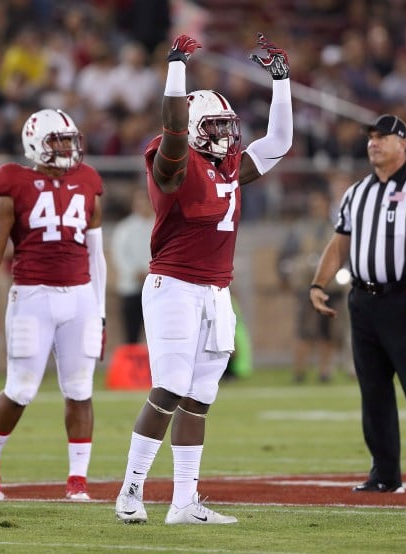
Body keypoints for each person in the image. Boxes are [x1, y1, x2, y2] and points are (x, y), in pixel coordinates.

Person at [114, 32, 292, 524]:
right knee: (169, 386)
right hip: (174, 285)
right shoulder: (174, 164)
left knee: (199, 398)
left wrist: (281, 81)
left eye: (226, 125)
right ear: (191, 128)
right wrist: (176, 69)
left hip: (216, 291)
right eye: (214, 125)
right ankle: (130, 491)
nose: (226, 134)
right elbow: (172, 130)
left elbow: (278, 142)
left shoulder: (230, 164)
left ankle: (184, 503)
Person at [309, 114, 406, 495]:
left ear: (403, 144)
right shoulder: (356, 193)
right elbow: (339, 244)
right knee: (373, 391)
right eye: (371, 137)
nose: (373, 143)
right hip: (363, 300)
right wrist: (318, 283)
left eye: (383, 137)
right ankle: (385, 474)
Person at [0, 108, 106, 502]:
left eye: (69, 139)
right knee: (21, 389)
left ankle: (78, 480)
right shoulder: (13, 180)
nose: (65, 148)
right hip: (32, 295)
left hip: (79, 297)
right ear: (34, 144)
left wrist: (101, 311)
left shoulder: (88, 180)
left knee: (80, 389)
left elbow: (97, 256)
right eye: (56, 140)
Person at [278, 189, 346, 383]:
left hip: (333, 287)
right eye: (313, 202)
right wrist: (287, 276)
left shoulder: (336, 227)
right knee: (304, 331)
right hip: (306, 286)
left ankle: (325, 371)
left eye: (319, 202)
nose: (315, 206)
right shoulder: (299, 228)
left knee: (330, 333)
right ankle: (299, 372)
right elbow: (286, 255)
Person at [110, 188, 153, 344]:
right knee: (131, 334)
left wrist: (151, 273)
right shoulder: (125, 228)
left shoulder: (159, 225)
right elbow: (119, 254)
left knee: (156, 334)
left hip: (156, 287)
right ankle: (133, 366)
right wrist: (135, 272)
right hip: (131, 286)